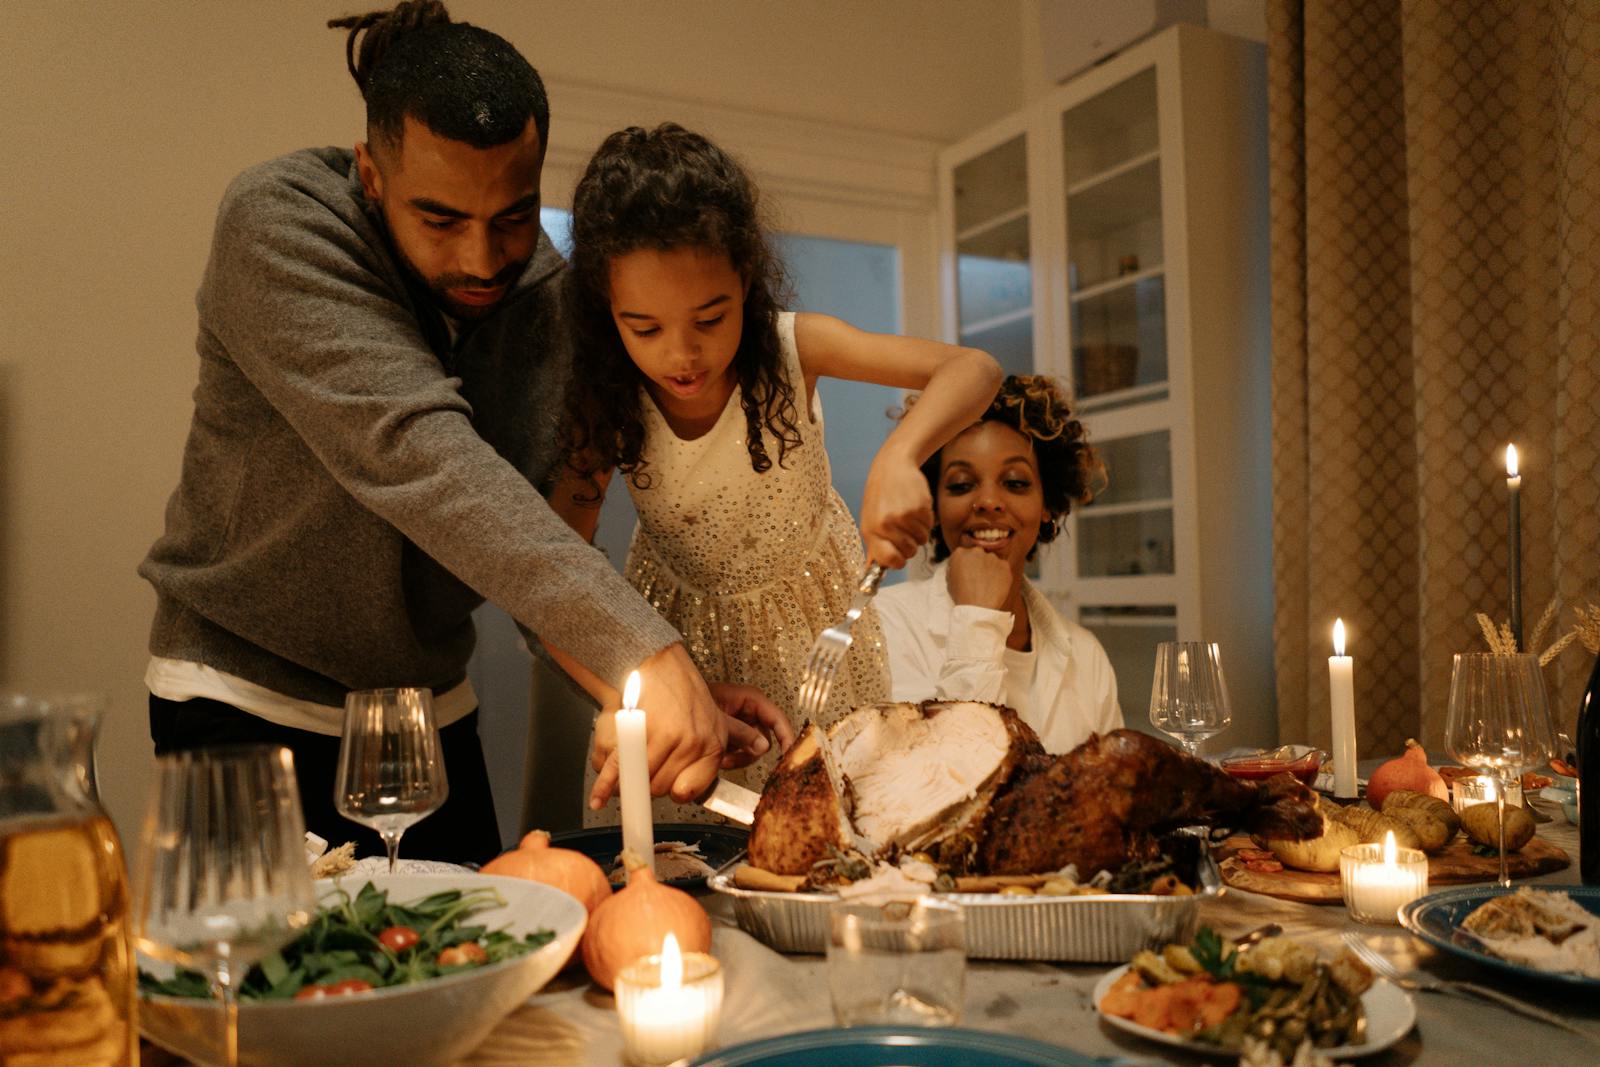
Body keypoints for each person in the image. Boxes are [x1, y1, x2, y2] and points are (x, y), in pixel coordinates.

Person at [137, 2, 783, 866]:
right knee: (273, 989)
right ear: (371, 174)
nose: (482, 259)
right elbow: (420, 458)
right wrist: (647, 649)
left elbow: (528, 545)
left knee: (482, 976)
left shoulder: (551, 298)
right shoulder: (279, 224)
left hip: (426, 711)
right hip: (242, 693)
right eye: (441, 220)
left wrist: (673, 685)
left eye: (514, 218)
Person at [551, 124, 1003, 821]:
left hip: (820, 642)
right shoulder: (605, 399)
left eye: (710, 317)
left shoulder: (796, 347)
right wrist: (630, 688)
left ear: (748, 280)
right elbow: (554, 573)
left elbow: (974, 369)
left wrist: (901, 453)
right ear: (606, 312)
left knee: (834, 841)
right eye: (645, 328)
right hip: (676, 645)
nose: (682, 354)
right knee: (686, 856)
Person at [874, 375, 1122, 753]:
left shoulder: (1086, 655)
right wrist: (977, 618)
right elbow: (939, 788)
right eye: (960, 484)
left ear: (1047, 506)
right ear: (933, 506)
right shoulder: (885, 626)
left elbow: (1112, 798)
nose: (988, 501)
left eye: (1015, 482)